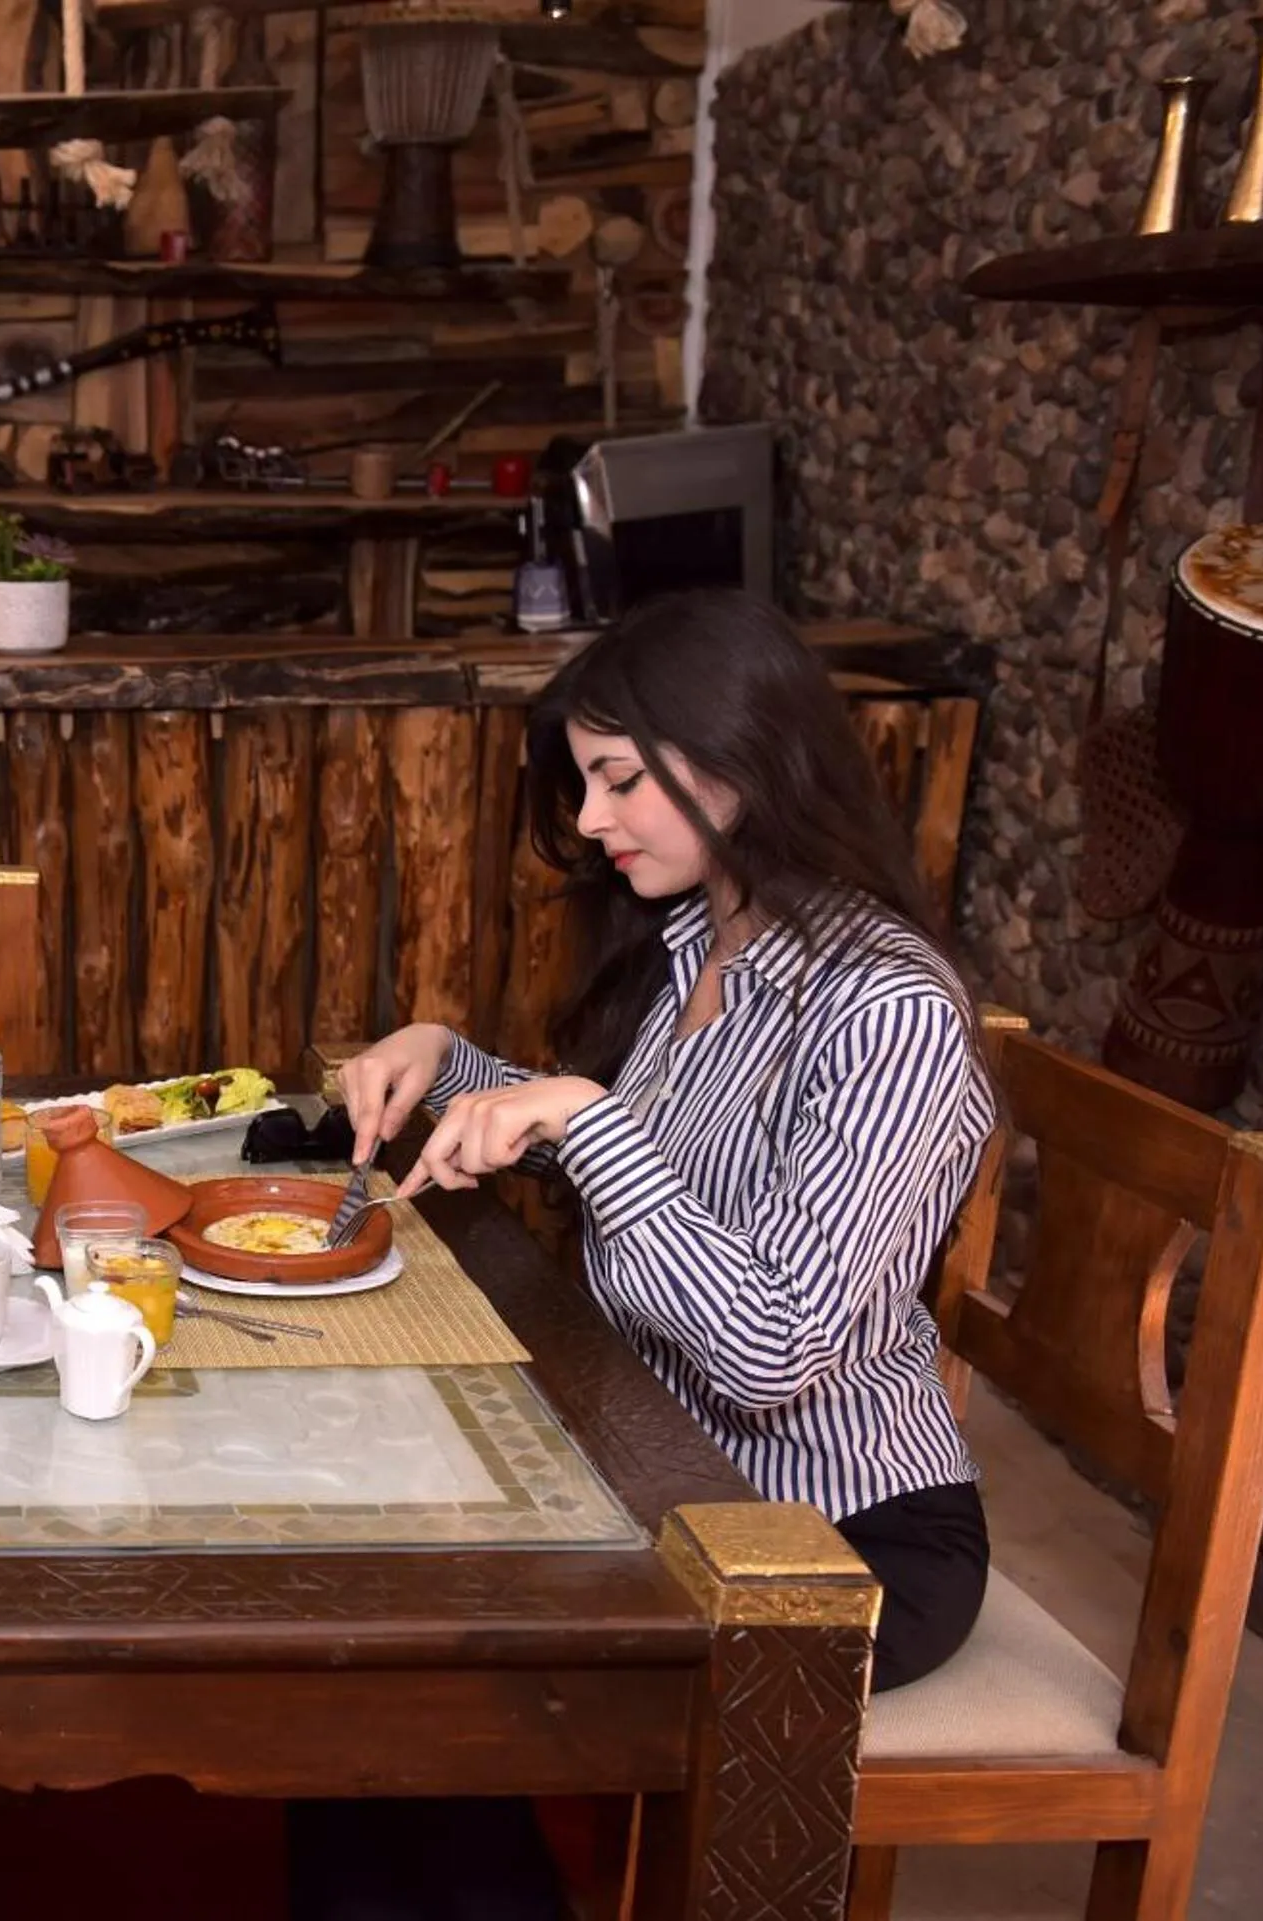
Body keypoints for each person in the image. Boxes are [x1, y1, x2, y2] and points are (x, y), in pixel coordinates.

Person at [346, 590, 995, 1688]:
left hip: (830, 1538)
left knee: (428, 1650)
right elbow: (656, 1169)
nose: (592, 821)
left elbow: (769, 1350)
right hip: (655, 1467)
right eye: (587, 781)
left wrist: (584, 1113)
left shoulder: (888, 1009)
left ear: (742, 763)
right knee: (383, 1570)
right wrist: (452, 1063)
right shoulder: (708, 940)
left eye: (621, 780)